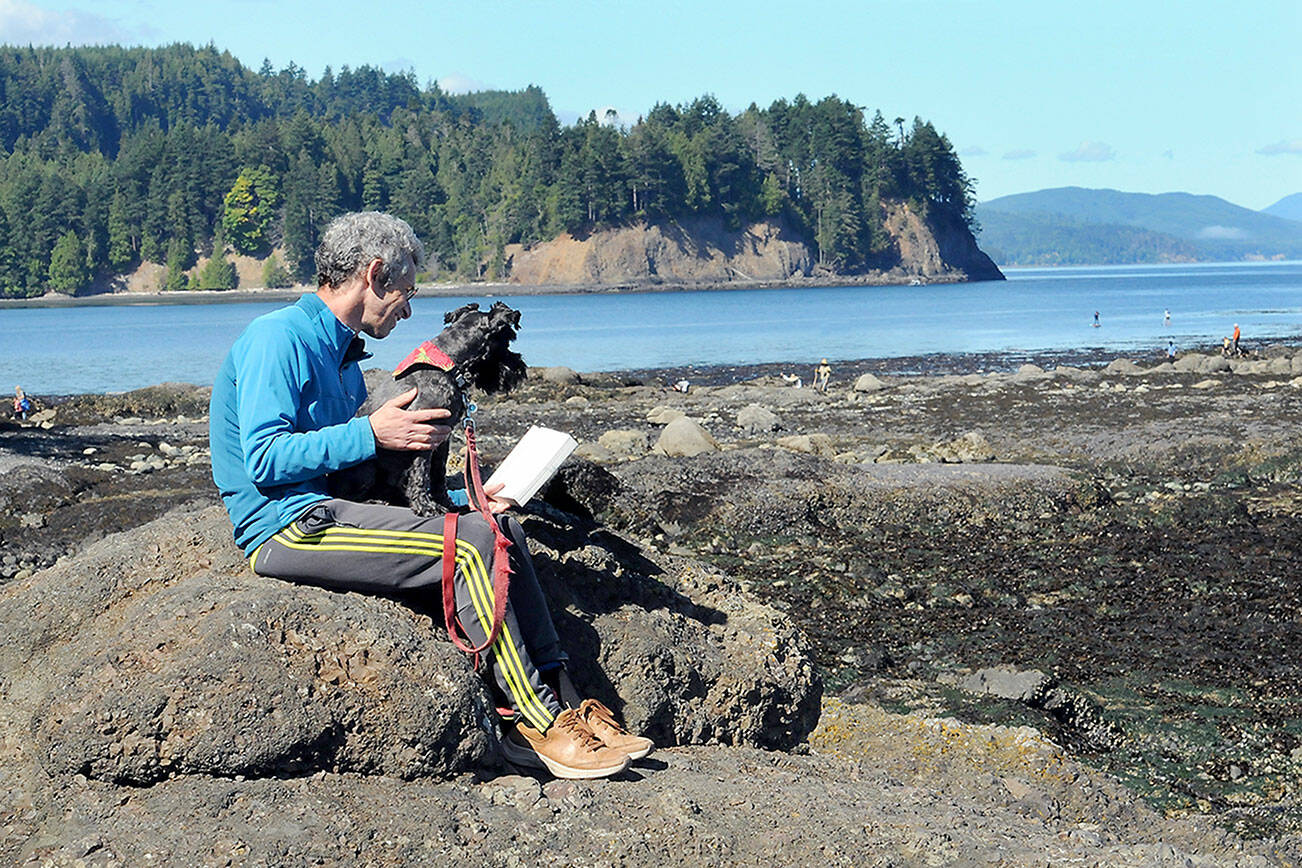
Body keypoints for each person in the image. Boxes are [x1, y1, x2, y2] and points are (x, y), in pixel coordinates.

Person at [209, 211, 649, 780]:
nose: (410, 309)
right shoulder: (278, 338)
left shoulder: (342, 359)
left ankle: (566, 701)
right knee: (469, 546)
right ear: (373, 275)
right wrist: (371, 432)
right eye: (407, 291)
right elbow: (265, 461)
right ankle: (532, 723)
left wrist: (462, 492)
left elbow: (361, 471)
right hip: (286, 527)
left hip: (334, 507)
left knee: (500, 528)